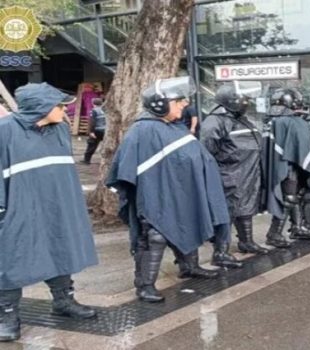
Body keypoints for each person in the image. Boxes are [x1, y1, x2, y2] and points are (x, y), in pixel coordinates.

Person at [107, 77, 225, 303]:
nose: (184, 104)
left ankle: (189, 267)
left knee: (188, 220)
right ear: (159, 104)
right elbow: (126, 170)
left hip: (180, 193)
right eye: (178, 100)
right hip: (155, 197)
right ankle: (145, 286)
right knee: (155, 235)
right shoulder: (142, 131)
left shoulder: (173, 127)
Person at [0, 83, 98, 342]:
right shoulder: (4, 131)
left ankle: (63, 300)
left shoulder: (60, 130)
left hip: (56, 205)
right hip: (17, 206)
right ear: (39, 107)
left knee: (59, 248)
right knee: (11, 259)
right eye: (58, 104)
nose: (64, 108)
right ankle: (7, 315)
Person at [201, 82, 269, 258]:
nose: (246, 102)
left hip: (248, 172)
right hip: (229, 174)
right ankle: (221, 251)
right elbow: (207, 151)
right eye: (243, 98)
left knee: (246, 208)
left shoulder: (241, 120)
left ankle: (247, 241)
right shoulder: (215, 121)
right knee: (226, 213)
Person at [262, 88, 310, 248]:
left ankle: (296, 227)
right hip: (288, 166)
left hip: (285, 165)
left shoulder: (271, 121)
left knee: (296, 195)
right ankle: (274, 233)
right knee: (289, 198)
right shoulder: (290, 122)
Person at [82, 98, 106, 165]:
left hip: (96, 130)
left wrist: (91, 132)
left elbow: (93, 122)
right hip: (104, 130)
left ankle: (87, 160)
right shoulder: (104, 110)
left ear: (93, 103)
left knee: (91, 145)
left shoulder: (94, 111)